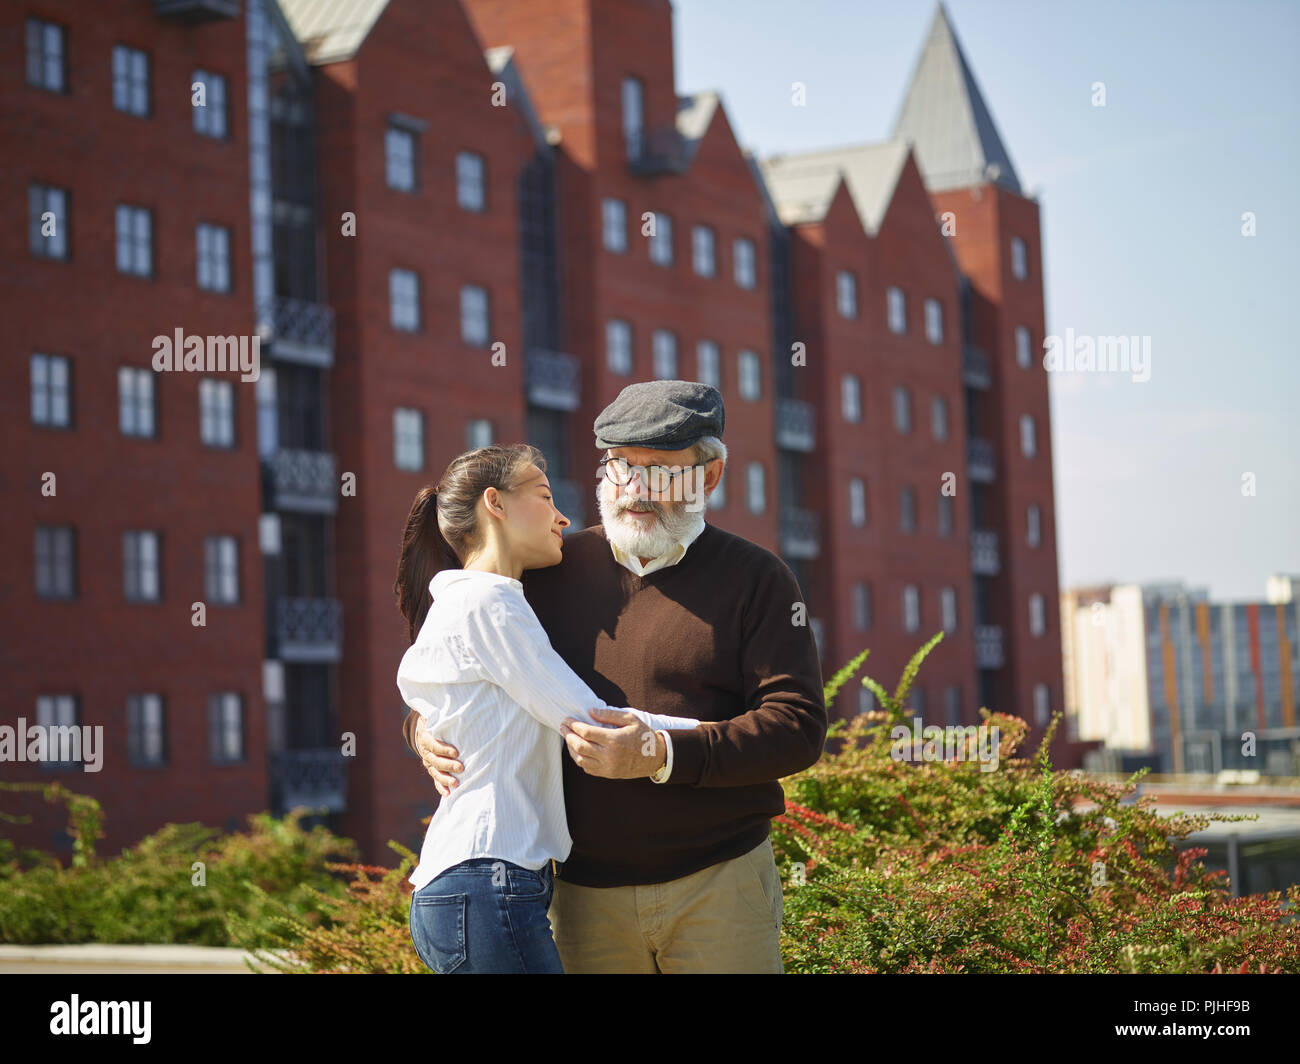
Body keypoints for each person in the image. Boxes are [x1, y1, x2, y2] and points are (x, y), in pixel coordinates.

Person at [402, 381, 828, 973]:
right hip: (580, 900)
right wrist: (424, 726)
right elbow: (461, 663)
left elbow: (797, 728)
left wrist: (659, 753)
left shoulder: (760, 579)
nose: (635, 488)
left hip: (720, 886)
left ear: (709, 477)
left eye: (659, 471)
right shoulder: (546, 570)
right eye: (620, 467)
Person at [393, 443, 700, 973]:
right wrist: (710, 734)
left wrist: (418, 729)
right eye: (544, 496)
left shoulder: (470, 601)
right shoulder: (489, 602)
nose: (562, 516)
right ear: (496, 504)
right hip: (487, 878)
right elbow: (590, 722)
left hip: (472, 884)